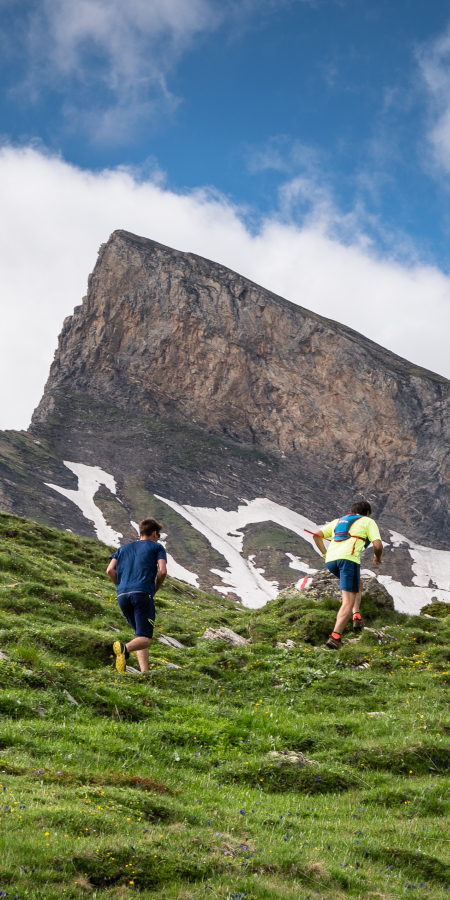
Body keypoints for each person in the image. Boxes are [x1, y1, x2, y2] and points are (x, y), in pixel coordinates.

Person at [312, 500, 383, 650]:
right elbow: (378, 545)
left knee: (358, 584)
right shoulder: (368, 521)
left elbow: (316, 535)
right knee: (348, 600)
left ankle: (356, 616)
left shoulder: (338, 521)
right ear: (367, 513)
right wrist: (377, 557)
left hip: (331, 561)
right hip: (348, 560)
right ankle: (335, 637)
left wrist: (325, 554)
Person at [106, 517, 167, 673]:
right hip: (142, 594)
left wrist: (120, 586)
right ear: (154, 533)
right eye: (158, 535)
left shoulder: (123, 548)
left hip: (122, 595)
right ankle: (124, 649)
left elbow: (110, 570)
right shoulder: (157, 547)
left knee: (140, 635)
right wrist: (155, 589)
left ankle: (144, 673)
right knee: (146, 639)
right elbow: (162, 571)